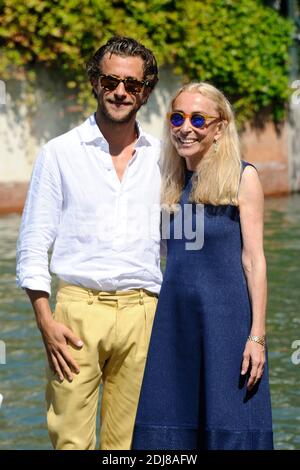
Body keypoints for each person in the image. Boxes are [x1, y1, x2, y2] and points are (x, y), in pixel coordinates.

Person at [16, 36, 162, 450]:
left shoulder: (163, 156)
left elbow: (179, 241)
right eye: (110, 80)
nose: (120, 91)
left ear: (145, 91)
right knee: (70, 440)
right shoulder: (59, 153)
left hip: (143, 312)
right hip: (77, 312)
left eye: (132, 85)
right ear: (95, 82)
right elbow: (32, 245)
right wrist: (45, 319)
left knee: (130, 445)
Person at [132, 82, 274, 450]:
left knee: (229, 427)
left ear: (219, 127)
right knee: (168, 434)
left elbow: (254, 259)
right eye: (177, 117)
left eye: (198, 119)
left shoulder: (243, 178)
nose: (186, 127)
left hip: (227, 325)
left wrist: (257, 335)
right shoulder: (168, 181)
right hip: (174, 325)